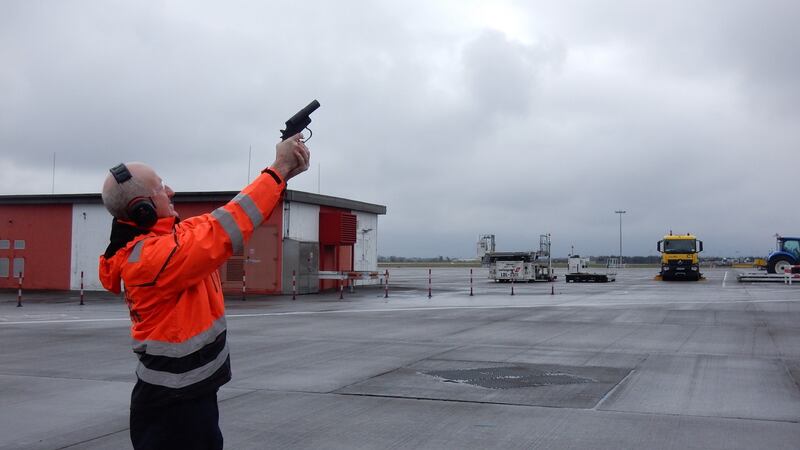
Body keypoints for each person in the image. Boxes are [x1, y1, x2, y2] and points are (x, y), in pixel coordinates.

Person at [98, 135, 310, 449]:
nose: (171, 191)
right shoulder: (153, 258)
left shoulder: (171, 239)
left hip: (187, 395)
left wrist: (283, 175)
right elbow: (225, 229)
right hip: (174, 408)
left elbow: (231, 216)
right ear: (141, 209)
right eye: (160, 188)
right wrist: (278, 168)